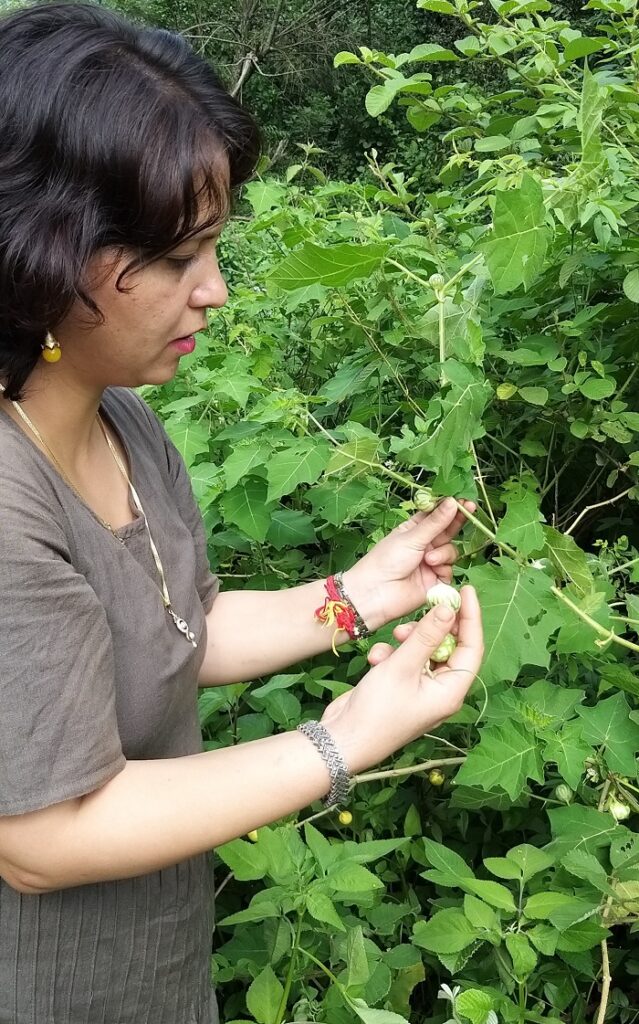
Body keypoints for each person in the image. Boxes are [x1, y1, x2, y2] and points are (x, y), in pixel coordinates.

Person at [0, 3, 484, 1022]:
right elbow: (41, 839)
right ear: (44, 250)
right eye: (177, 259)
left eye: (214, 249)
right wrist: (348, 731)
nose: (214, 292)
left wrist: (353, 597)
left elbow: (180, 626)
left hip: (154, 973)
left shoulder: (122, 419)